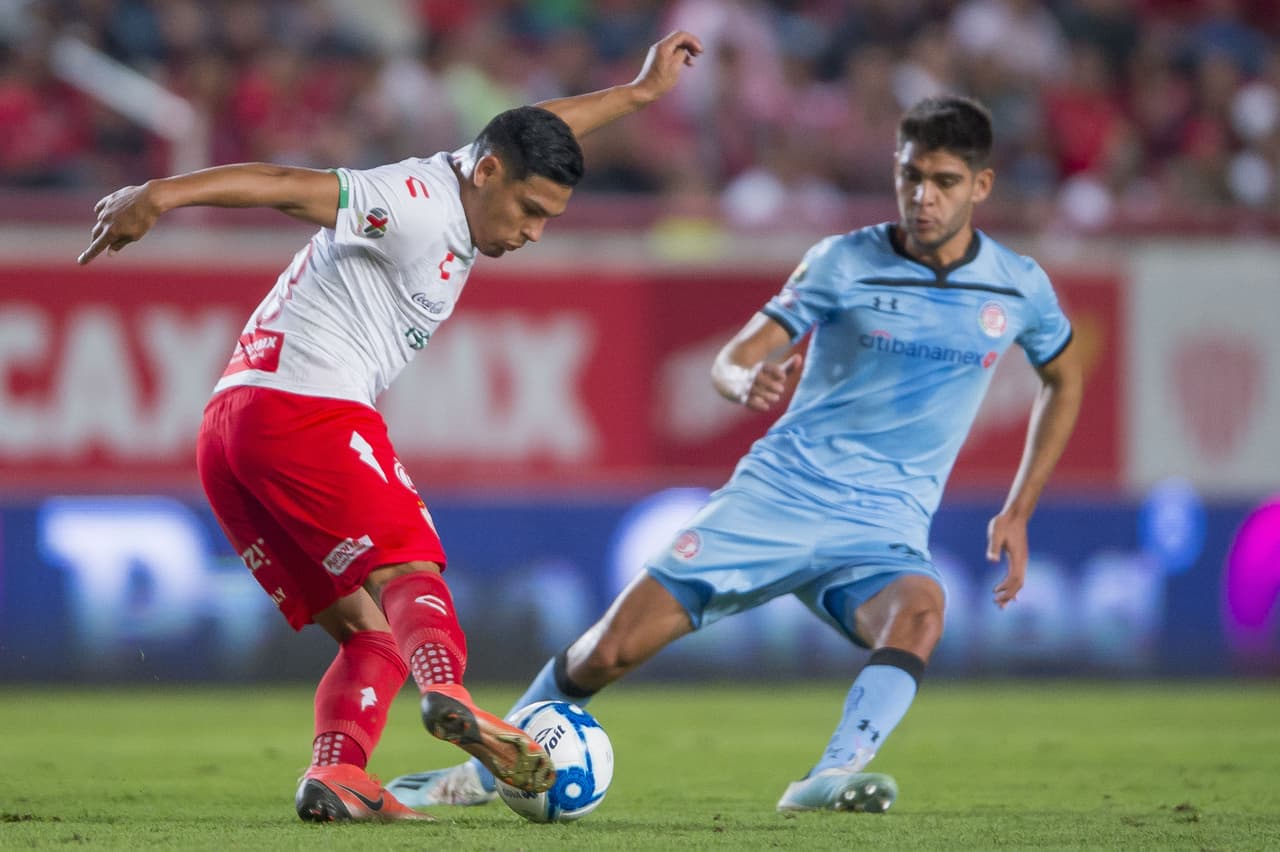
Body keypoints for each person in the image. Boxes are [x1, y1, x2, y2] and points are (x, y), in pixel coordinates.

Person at [387, 94, 1086, 814]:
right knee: (610, 650)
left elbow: (1064, 379)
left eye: (943, 181)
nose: (923, 196)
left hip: (884, 524)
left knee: (922, 610)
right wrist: (745, 380)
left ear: (981, 185)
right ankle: (485, 769)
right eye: (910, 176)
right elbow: (734, 358)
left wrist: (1020, 507)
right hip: (779, 497)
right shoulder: (845, 261)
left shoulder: (1017, 286)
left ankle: (830, 775)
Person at [77, 31, 704, 823]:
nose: (533, 232)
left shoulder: (481, 168)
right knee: (411, 570)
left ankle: (337, 774)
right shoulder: (412, 203)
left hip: (230, 433)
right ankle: (451, 696)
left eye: (549, 217)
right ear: (488, 175)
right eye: (530, 211)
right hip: (305, 408)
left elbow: (534, 126)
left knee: (372, 637)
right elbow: (285, 184)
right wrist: (160, 195)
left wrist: (639, 94)